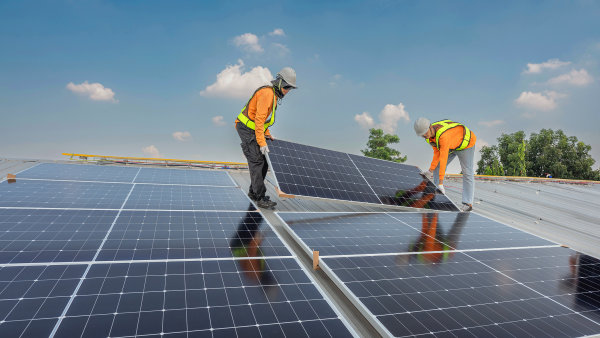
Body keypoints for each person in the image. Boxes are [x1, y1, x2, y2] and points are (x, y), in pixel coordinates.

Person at [235, 67, 297, 209]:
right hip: (246, 128)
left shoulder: (273, 96)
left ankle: (253, 191)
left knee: (265, 161)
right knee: (256, 160)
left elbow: (263, 121)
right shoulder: (267, 94)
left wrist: (267, 133)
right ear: (280, 83)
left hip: (254, 128)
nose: (287, 91)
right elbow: (258, 120)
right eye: (286, 87)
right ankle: (260, 197)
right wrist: (262, 142)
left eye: (290, 88)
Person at [414, 118, 477, 212]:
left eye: (425, 133)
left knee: (467, 172)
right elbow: (437, 154)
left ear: (430, 127)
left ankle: (468, 203)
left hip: (465, 144)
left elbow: (443, 158)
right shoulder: (429, 138)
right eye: (422, 135)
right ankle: (436, 191)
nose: (424, 136)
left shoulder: (443, 136)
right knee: (437, 167)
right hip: (451, 144)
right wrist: (430, 171)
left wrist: (441, 182)